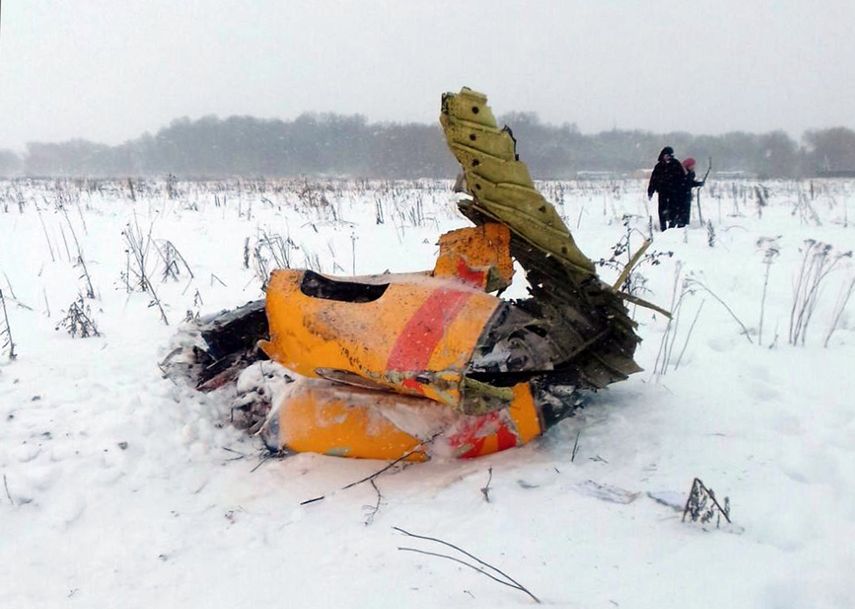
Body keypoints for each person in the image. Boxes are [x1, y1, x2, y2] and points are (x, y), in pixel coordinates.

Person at [647, 146, 685, 231]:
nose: (668, 157)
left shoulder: (676, 164)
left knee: (673, 209)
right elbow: (653, 179)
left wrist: (681, 189)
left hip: (674, 191)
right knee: (662, 209)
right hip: (662, 191)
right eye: (667, 155)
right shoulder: (659, 166)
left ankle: (672, 226)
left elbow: (682, 178)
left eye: (670, 155)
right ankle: (663, 227)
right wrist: (650, 191)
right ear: (663, 155)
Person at [675, 157, 706, 227]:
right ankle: (680, 224)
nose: (693, 167)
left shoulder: (691, 173)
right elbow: (683, 183)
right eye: (692, 165)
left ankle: (685, 224)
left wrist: (699, 183)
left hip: (687, 195)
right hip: (680, 195)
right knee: (681, 211)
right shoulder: (681, 172)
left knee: (686, 211)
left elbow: (690, 183)